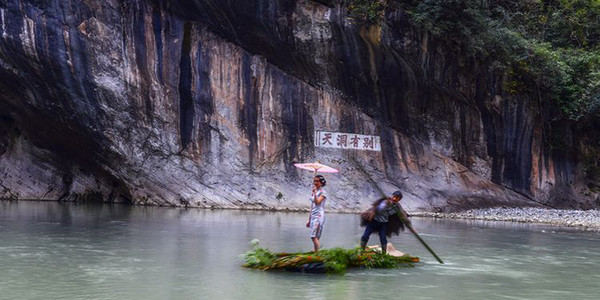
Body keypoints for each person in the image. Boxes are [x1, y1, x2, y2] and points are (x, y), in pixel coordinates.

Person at [306, 175, 327, 252]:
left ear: (321, 183)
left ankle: (318, 253)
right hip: (313, 214)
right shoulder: (314, 192)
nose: (315, 183)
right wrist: (309, 219)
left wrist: (315, 194)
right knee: (315, 236)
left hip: (319, 215)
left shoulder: (323, 192)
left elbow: (318, 202)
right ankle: (315, 252)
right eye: (314, 181)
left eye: (317, 181)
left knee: (313, 236)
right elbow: (312, 206)